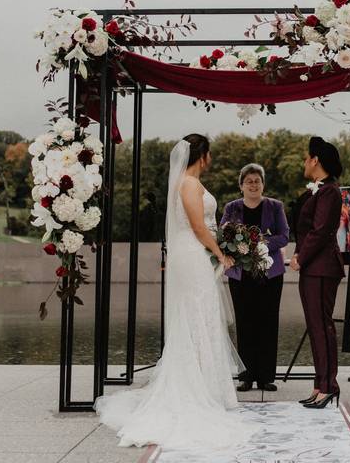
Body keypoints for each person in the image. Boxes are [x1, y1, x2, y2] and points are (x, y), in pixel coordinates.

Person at [95, 134, 255, 452]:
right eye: (209, 153)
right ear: (203, 155)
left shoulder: (184, 182)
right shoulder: (190, 184)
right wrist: (220, 252)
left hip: (190, 251)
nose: (211, 158)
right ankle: (201, 391)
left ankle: (207, 387)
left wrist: (220, 243)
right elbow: (198, 226)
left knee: (197, 315)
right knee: (199, 315)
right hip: (194, 251)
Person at [220, 163, 290, 392]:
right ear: (241, 186)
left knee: (268, 322)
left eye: (257, 181)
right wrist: (239, 246)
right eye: (248, 181)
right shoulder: (232, 208)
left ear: (263, 184)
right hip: (241, 276)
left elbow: (284, 236)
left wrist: (260, 243)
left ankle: (266, 376)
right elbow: (222, 236)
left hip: (270, 274)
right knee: (245, 322)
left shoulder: (275, 206)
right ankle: (246, 376)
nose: (253, 185)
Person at [290, 136, 346, 409]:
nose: (304, 162)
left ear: (315, 160)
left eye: (306, 157)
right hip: (314, 267)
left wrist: (300, 256)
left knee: (322, 327)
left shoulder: (330, 192)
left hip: (322, 268)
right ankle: (319, 384)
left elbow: (321, 230)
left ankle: (329, 386)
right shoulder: (320, 190)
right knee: (316, 327)